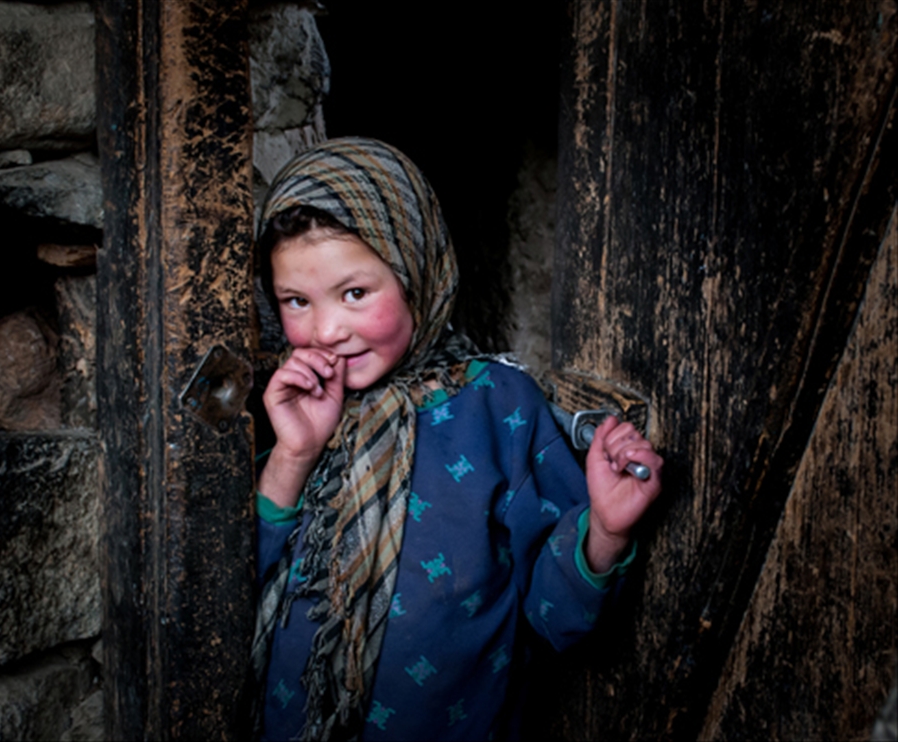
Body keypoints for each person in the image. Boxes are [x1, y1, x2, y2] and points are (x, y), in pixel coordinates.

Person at [250, 137, 663, 741]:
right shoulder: (297, 405)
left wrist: (603, 530)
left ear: (418, 273)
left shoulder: (497, 406)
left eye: (355, 293)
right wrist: (293, 455)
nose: (327, 329)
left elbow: (554, 620)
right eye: (296, 301)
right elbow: (234, 594)